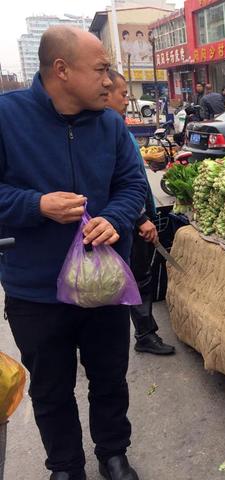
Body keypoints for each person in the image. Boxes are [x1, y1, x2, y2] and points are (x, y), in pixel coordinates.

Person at [1, 26, 147, 480]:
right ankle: (65, 466)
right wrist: (35, 205)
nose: (110, 81)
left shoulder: (110, 125)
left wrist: (117, 218)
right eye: (101, 69)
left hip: (104, 284)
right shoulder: (7, 118)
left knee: (109, 377)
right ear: (61, 70)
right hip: (35, 289)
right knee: (51, 388)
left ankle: (113, 453)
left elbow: (133, 184)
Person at [105, 69, 176, 356]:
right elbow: (114, 185)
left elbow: (134, 175)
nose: (126, 100)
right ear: (105, 91)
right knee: (135, 278)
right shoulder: (103, 133)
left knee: (140, 276)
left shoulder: (118, 128)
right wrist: (140, 219)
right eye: (122, 94)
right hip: (127, 221)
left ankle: (143, 333)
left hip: (138, 213)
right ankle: (144, 334)